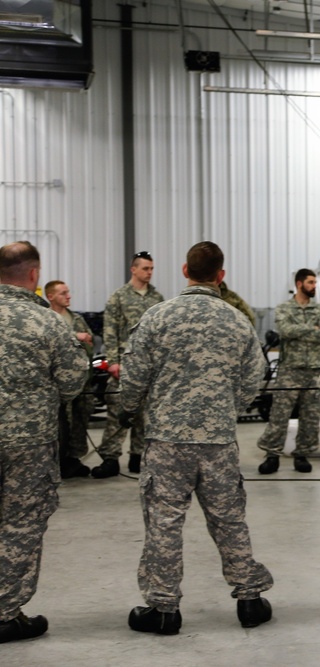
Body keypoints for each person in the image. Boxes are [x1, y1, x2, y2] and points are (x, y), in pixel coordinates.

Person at [119, 242, 273, 634]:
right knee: (229, 520)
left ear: (185, 270)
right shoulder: (238, 321)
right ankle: (250, 599)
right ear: (221, 275)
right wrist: (229, 407)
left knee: (164, 522)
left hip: (167, 439)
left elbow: (134, 374)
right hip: (218, 440)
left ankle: (164, 608)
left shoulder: (158, 316)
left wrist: (129, 408)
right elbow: (256, 376)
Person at [0, 242, 89, 644]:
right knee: (20, 522)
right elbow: (73, 383)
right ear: (34, 275)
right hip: (27, 442)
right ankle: (4, 612)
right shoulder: (48, 322)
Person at [92, 251, 164, 479]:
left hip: (149, 366)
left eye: (152, 268)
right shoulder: (119, 297)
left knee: (145, 414)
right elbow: (110, 330)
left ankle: (138, 456)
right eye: (145, 268)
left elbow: (161, 334)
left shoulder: (158, 298)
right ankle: (110, 458)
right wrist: (112, 361)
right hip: (124, 363)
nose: (149, 273)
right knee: (117, 411)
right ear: (133, 269)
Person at [256, 269, 320, 475]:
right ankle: (272, 454)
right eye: (310, 282)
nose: (314, 286)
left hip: (314, 370)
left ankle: (302, 454)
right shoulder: (284, 308)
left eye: (315, 282)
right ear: (299, 284)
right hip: (290, 368)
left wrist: (302, 330)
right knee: (279, 414)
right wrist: (312, 330)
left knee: (311, 415)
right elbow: (285, 331)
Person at [45, 280, 97, 479]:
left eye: (68, 292)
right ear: (51, 296)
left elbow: (90, 343)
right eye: (63, 293)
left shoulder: (76, 319)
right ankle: (59, 459)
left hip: (81, 381)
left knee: (80, 418)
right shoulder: (47, 319)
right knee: (61, 422)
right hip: (57, 384)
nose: (68, 296)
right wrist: (75, 337)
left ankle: (74, 458)